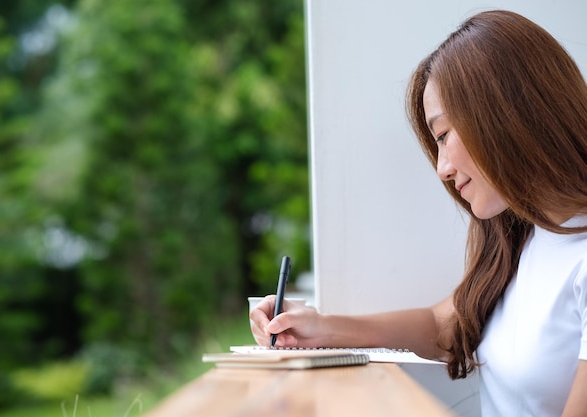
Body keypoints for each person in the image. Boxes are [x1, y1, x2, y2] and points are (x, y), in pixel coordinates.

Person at [249, 9, 587, 417]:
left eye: (444, 135)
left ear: (505, 115)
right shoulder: (527, 235)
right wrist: (321, 328)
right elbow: (443, 326)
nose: (442, 169)